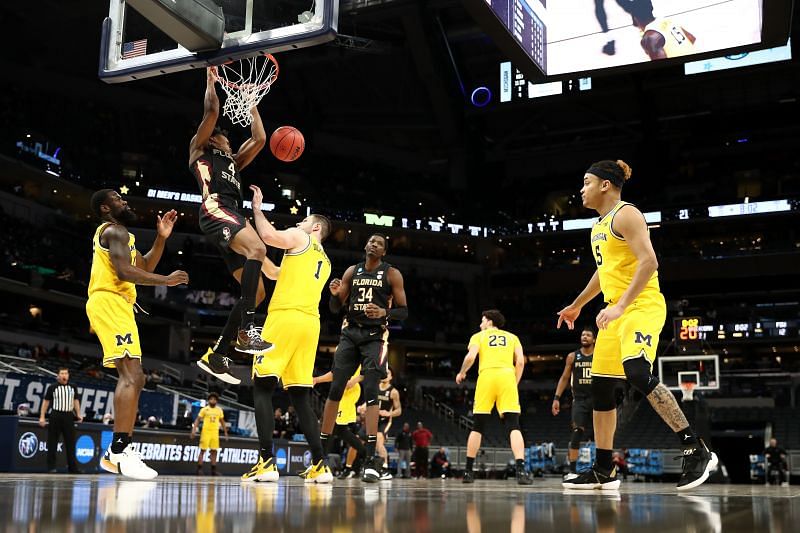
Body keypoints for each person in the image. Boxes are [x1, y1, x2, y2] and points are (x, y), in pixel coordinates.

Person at [557, 159, 717, 491]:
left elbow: (649, 262)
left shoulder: (627, 214)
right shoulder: (598, 226)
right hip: (615, 311)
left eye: (586, 182)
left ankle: (696, 449)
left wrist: (621, 307)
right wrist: (577, 305)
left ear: (605, 185)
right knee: (600, 389)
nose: (581, 188)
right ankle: (604, 469)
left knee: (637, 373)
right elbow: (605, 273)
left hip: (641, 306)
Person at [87, 189, 188, 479]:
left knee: (136, 376)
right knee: (132, 376)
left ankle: (119, 450)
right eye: (118, 198)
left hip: (121, 303)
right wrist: (166, 281)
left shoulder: (124, 236)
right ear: (106, 208)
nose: (125, 201)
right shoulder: (113, 231)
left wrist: (161, 238)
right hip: (109, 300)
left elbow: (143, 266)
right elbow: (124, 272)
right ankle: (118, 451)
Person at [240, 184, 333, 484]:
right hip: (310, 326)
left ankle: (266, 463)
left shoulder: (301, 236)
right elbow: (275, 273)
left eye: (303, 221)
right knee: (301, 396)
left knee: (263, 387)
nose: (298, 224)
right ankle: (321, 465)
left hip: (284, 318)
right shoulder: (325, 261)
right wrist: (250, 250)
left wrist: (256, 209)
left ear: (315, 227)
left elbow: (269, 236)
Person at [190, 67, 276, 384]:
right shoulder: (200, 148)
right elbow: (212, 110)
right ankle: (246, 331)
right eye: (225, 136)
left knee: (258, 293)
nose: (229, 140)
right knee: (258, 247)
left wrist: (251, 102)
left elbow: (261, 138)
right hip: (216, 208)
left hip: (230, 215)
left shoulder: (234, 161)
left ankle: (219, 355)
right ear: (215, 138)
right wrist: (210, 82)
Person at [318, 234, 408, 483]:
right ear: (365, 246)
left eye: (379, 243)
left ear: (383, 252)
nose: (373, 244)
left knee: (370, 389)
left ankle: (371, 460)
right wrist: (335, 295)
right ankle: (320, 457)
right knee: (335, 387)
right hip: (350, 333)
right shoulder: (351, 271)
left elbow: (404, 311)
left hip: (375, 337)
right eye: (370, 241)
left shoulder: (392, 274)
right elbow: (335, 308)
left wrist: (384, 311)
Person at [457, 310, 533, 485]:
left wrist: (462, 372)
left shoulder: (479, 336)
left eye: (482, 321)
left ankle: (468, 472)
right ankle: (520, 471)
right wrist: (514, 382)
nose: (480, 324)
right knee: (514, 425)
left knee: (478, 426)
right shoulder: (513, 337)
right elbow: (520, 362)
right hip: (507, 376)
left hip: (486, 377)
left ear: (490, 322)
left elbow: (470, 357)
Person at [552, 327, 596, 480]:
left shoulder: (599, 356)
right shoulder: (573, 356)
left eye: (588, 335)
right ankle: (572, 470)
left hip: (597, 399)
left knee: (602, 434)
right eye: (583, 334)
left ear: (594, 340)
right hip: (579, 400)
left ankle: (602, 468)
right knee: (576, 433)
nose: (584, 336)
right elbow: (564, 378)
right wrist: (557, 398)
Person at [313, 368, 368, 480]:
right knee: (340, 431)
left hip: (348, 391)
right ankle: (368, 456)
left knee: (330, 428)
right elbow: (335, 372)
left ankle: (320, 465)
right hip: (339, 388)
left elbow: (369, 371)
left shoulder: (360, 352)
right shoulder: (341, 353)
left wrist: (354, 380)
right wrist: (317, 380)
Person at [39, 368, 83, 473]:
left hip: (68, 416)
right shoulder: (52, 387)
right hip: (56, 415)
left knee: (71, 443)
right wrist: (42, 416)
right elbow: (46, 402)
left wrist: (79, 414)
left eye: (66, 373)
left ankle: (73, 468)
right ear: (58, 375)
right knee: (52, 442)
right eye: (62, 373)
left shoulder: (73, 387)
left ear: (68, 375)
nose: (64, 375)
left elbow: (76, 401)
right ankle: (51, 467)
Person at [375, 368, 402, 480]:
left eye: (388, 373)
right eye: (384, 372)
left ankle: (385, 469)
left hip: (384, 422)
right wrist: (363, 407)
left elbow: (399, 410)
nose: (385, 374)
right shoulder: (375, 387)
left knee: (379, 441)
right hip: (372, 420)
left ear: (391, 377)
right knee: (362, 440)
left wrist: (388, 413)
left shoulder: (393, 392)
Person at [191, 392, 229, 475]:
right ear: (208, 400)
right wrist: (194, 430)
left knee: (214, 451)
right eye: (211, 399)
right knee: (203, 450)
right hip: (206, 432)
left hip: (215, 432)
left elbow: (222, 422)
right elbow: (197, 420)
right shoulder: (204, 409)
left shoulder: (219, 410)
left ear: (216, 401)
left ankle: (213, 470)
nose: (213, 401)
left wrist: (226, 432)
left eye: (214, 399)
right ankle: (199, 469)